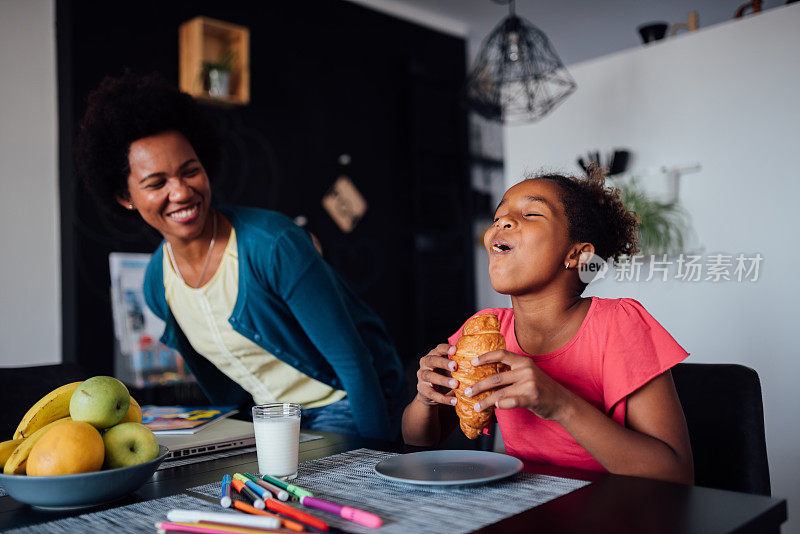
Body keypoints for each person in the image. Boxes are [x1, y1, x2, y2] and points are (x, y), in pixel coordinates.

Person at [75, 71, 406, 440]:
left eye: (191, 171)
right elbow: (224, 383)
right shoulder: (158, 283)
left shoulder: (273, 244)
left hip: (342, 405)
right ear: (126, 197)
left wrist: (379, 457)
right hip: (272, 421)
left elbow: (354, 362)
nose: (181, 192)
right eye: (157, 183)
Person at [402, 166, 694, 483]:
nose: (502, 221)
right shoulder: (486, 330)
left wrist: (558, 404)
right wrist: (425, 400)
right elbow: (420, 442)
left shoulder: (619, 325)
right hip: (528, 509)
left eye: (530, 214)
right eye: (498, 216)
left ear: (577, 255)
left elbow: (676, 475)